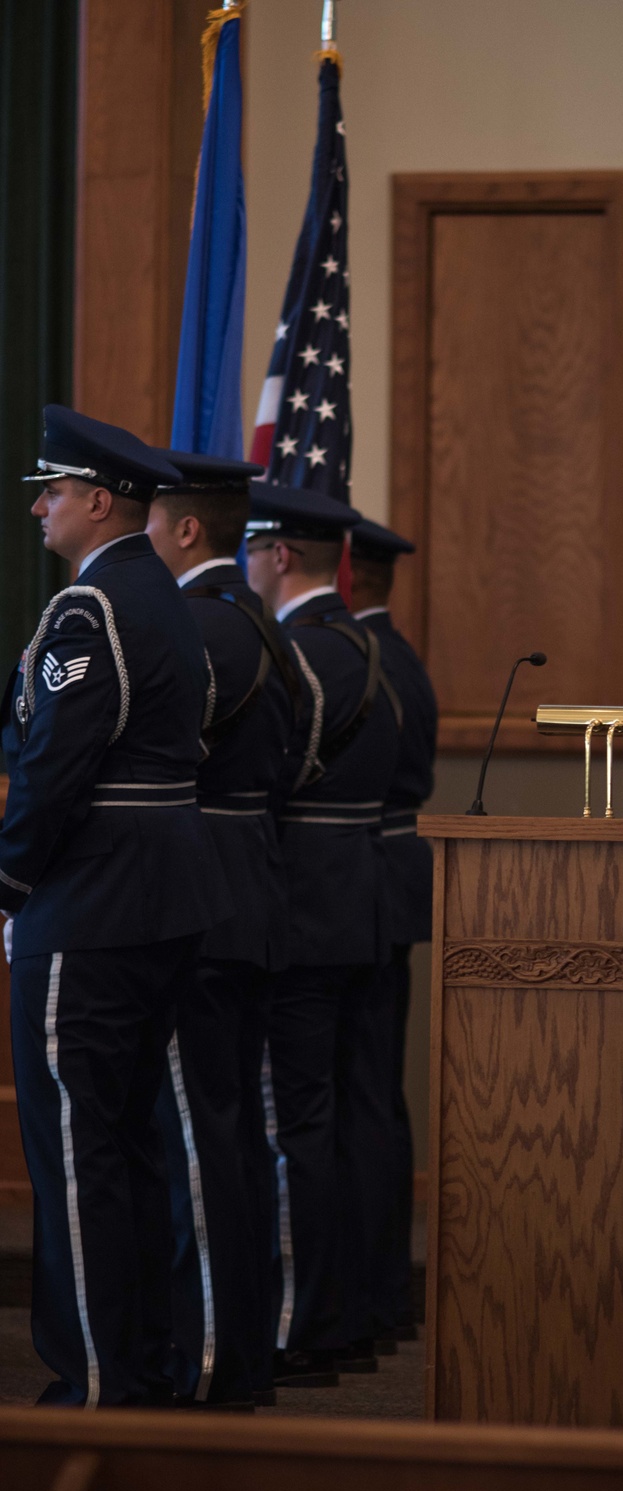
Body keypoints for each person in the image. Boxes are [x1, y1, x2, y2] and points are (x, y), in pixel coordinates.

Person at [1, 406, 230, 1407]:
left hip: (90, 904)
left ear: (100, 499)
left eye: (51, 490)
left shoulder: (90, 609)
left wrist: (6, 881)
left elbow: (52, 771)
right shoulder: (167, 596)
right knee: (129, 1147)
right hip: (163, 899)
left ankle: (98, 1381)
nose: (40, 507)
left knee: (80, 1157)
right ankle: (141, 1368)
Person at [146, 452, 303, 1411]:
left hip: (197, 905)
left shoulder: (200, 625)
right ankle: (237, 1354)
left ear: (187, 528)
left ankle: (208, 1365)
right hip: (249, 894)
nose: (144, 537)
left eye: (152, 520)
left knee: (202, 1148)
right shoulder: (254, 621)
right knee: (232, 1136)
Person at [245, 482, 402, 1386]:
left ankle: (302, 1323)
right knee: (334, 1122)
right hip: (353, 907)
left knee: (291, 1126)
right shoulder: (365, 647)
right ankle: (340, 1312)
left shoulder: (302, 652)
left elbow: (273, 778)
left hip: (300, 912)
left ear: (276, 555)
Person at [349, 518, 437, 1344]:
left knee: (363, 1096)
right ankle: (375, 1295)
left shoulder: (367, 659)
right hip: (385, 880)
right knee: (372, 1094)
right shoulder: (395, 653)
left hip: (359, 881)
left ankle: (368, 1295)